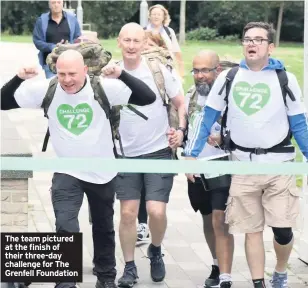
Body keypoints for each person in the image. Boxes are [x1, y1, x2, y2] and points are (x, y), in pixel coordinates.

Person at [1, 49, 156, 288]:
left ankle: (105, 278)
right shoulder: (48, 89)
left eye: (72, 73)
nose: (67, 80)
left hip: (102, 172)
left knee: (103, 227)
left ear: (85, 70)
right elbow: (3, 102)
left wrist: (122, 74)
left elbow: (148, 98)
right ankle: (65, 282)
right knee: (66, 225)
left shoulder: (103, 88)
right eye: (61, 73)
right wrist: (18, 78)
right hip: (67, 171)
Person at [184, 22, 308, 288]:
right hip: (242, 166)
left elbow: (299, 123)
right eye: (247, 39)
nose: (251, 44)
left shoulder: (285, 79)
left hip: (279, 166)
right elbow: (208, 117)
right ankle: (258, 283)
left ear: (270, 47)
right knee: (251, 231)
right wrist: (191, 154)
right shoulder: (229, 78)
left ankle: (281, 270)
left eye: (258, 40)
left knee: (282, 231)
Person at [114, 23, 186, 288]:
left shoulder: (158, 70)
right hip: (124, 154)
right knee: (127, 214)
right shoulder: (110, 72)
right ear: (119, 42)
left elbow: (180, 103)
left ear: (144, 43)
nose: (132, 46)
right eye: (127, 40)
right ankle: (130, 267)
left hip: (158, 151)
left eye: (137, 40)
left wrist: (180, 130)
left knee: (155, 211)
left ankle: (155, 249)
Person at [184, 50, 235, 288]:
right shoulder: (191, 95)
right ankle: (216, 265)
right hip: (197, 167)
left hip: (222, 164)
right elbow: (185, 128)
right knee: (207, 218)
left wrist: (224, 139)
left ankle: (226, 275)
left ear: (217, 71)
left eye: (206, 70)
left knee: (219, 219)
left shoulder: (229, 97)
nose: (200, 76)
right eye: (196, 71)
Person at [33, 0, 81, 79]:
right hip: (50, 64)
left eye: (59, 2)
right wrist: (53, 47)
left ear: (63, 3)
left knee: (68, 89)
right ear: (49, 4)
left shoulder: (72, 19)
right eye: (53, 2)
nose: (56, 5)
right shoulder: (41, 20)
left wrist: (68, 46)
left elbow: (78, 38)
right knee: (53, 88)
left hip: (70, 63)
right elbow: (37, 41)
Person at [145, 4, 184, 79]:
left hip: (167, 67)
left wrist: (181, 73)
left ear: (163, 17)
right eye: (154, 14)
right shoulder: (143, 31)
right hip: (148, 68)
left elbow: (177, 52)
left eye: (159, 14)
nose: (156, 16)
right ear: (149, 16)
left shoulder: (169, 32)